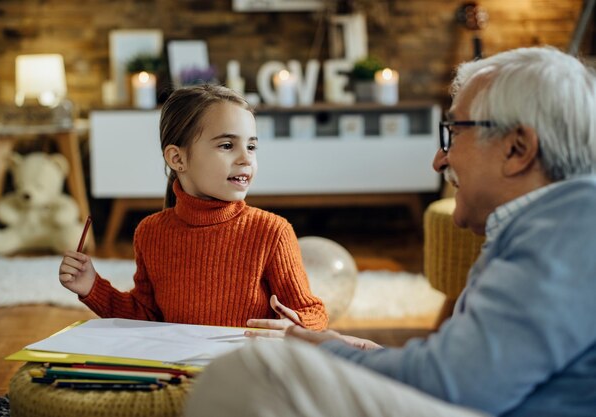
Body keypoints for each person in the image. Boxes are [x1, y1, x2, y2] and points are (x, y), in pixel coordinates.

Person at [183, 46, 596, 417]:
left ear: (517, 149)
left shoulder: (574, 221)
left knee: (253, 374)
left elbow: (456, 385)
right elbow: (482, 369)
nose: (439, 160)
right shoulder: (550, 225)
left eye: (454, 133)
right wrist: (357, 352)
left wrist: (333, 353)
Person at [58, 84, 328, 330]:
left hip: (245, 370)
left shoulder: (272, 231)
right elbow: (146, 317)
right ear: (177, 158)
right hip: (178, 373)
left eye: (252, 146)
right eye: (227, 145)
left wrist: (294, 327)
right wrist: (92, 286)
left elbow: (311, 312)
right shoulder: (150, 232)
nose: (246, 158)